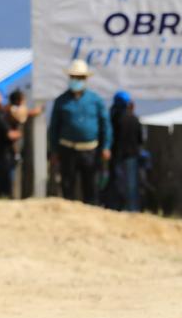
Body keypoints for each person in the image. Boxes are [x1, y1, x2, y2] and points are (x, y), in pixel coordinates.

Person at [48, 60, 112, 205]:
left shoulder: (95, 100)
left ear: (85, 79)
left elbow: (105, 125)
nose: (76, 80)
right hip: (67, 150)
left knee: (91, 186)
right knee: (67, 185)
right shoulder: (61, 101)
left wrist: (106, 147)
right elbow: (54, 127)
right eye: (74, 77)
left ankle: (92, 211)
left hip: (90, 150)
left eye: (80, 77)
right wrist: (54, 150)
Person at [108, 91, 143, 212]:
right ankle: (133, 209)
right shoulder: (134, 118)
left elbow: (111, 138)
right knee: (131, 184)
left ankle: (118, 207)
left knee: (118, 183)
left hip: (118, 155)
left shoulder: (114, 119)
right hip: (132, 156)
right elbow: (140, 140)